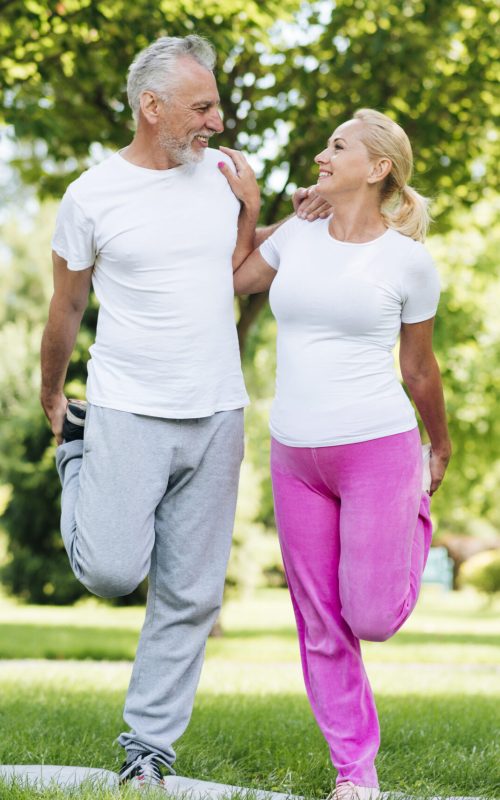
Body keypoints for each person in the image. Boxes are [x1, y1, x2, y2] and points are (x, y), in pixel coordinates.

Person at [40, 34, 268, 790]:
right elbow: (67, 305)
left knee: (192, 593)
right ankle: (79, 460)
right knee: (108, 570)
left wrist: (257, 213)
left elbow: (234, 278)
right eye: (202, 106)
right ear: (152, 105)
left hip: (216, 410)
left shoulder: (220, 180)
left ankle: (149, 750)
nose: (218, 121)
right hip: (126, 406)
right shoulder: (92, 196)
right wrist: (51, 390)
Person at [231, 109, 451, 799]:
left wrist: (437, 444)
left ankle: (412, 524)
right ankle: (355, 775)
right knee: (321, 623)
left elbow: (420, 369)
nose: (322, 156)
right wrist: (258, 213)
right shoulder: (298, 234)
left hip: (378, 449)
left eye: (337, 146)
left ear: (378, 167)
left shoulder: (409, 261)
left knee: (373, 618)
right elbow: (235, 278)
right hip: (295, 454)